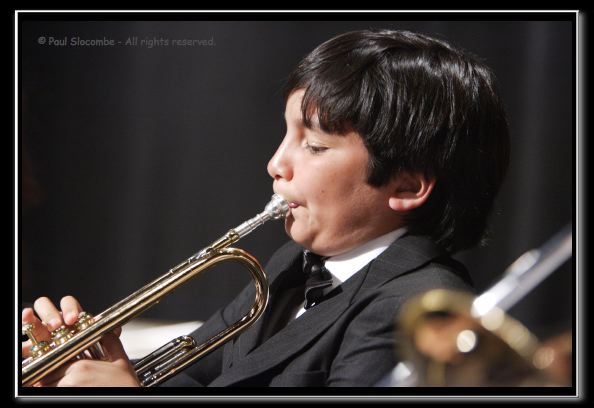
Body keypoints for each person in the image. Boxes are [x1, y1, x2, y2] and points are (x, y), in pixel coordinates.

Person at [21, 28, 510, 387]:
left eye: (313, 146)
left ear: (406, 184)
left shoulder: (418, 312)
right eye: (286, 134)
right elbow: (189, 381)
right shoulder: (290, 266)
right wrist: (97, 365)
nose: (276, 164)